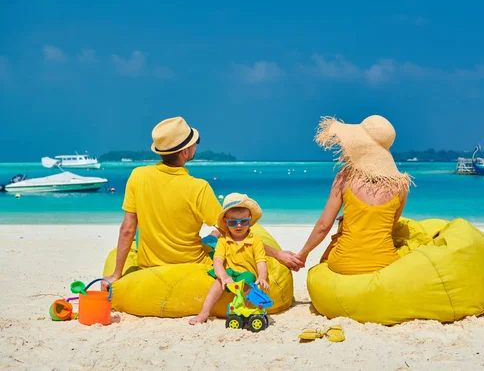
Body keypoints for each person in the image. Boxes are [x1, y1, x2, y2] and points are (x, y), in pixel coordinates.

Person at [102, 117, 303, 291]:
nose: (196, 145)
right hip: (191, 262)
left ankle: (211, 236)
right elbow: (232, 230)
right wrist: (277, 254)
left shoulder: (138, 176)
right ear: (184, 152)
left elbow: (128, 230)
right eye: (195, 142)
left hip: (150, 264)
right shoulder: (198, 188)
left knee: (213, 235)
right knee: (223, 238)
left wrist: (116, 274)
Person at [296, 115, 412, 275]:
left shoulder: (345, 177)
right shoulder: (402, 185)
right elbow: (388, 226)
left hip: (343, 263)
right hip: (384, 264)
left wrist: (302, 254)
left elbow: (323, 226)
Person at [189, 193, 269, 325]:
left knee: (249, 283)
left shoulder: (255, 242)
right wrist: (224, 276)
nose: (239, 226)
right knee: (217, 284)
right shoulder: (223, 241)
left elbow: (261, 262)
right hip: (230, 272)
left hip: (246, 274)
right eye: (233, 222)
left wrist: (262, 277)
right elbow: (218, 261)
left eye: (244, 221)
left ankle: (245, 311)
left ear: (250, 219)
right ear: (226, 222)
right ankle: (204, 313)